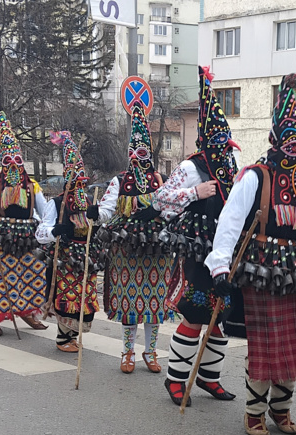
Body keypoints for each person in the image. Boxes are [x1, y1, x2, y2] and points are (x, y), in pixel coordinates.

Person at [204, 74, 296, 435]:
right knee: (267, 346)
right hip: (263, 270)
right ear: (276, 142)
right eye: (290, 143)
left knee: (294, 347)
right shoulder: (254, 177)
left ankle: (281, 411)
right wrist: (220, 265)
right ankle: (255, 414)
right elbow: (230, 222)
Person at [153, 65, 240, 405]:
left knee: (222, 315)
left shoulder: (233, 167)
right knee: (196, 312)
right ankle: (175, 380)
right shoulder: (191, 167)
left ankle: (208, 377)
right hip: (196, 247)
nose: (224, 149)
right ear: (206, 141)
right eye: (218, 142)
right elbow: (160, 199)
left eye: (226, 142)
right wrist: (194, 193)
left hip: (225, 249)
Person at [98, 103, 174, 373]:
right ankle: (127, 352)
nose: (136, 158)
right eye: (132, 153)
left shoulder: (161, 179)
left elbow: (171, 207)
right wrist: (96, 213)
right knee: (129, 305)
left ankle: (151, 352)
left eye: (141, 152)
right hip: (126, 250)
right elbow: (106, 209)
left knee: (154, 303)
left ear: (149, 153)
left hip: (157, 253)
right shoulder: (119, 181)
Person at [0, 111, 50, 337]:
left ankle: (27, 311)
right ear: (2, 163)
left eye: (17, 160)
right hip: (0, 238)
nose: (14, 165)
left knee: (31, 275)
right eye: (9, 161)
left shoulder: (32, 186)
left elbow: (44, 213)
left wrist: (45, 229)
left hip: (27, 239)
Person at [38, 131, 100, 352]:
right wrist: (56, 230)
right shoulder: (57, 203)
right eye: (76, 181)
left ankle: (73, 335)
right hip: (65, 258)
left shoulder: (91, 201)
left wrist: (97, 217)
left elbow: (98, 227)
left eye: (83, 182)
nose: (80, 186)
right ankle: (63, 338)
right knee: (67, 296)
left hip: (86, 258)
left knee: (84, 297)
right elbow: (41, 231)